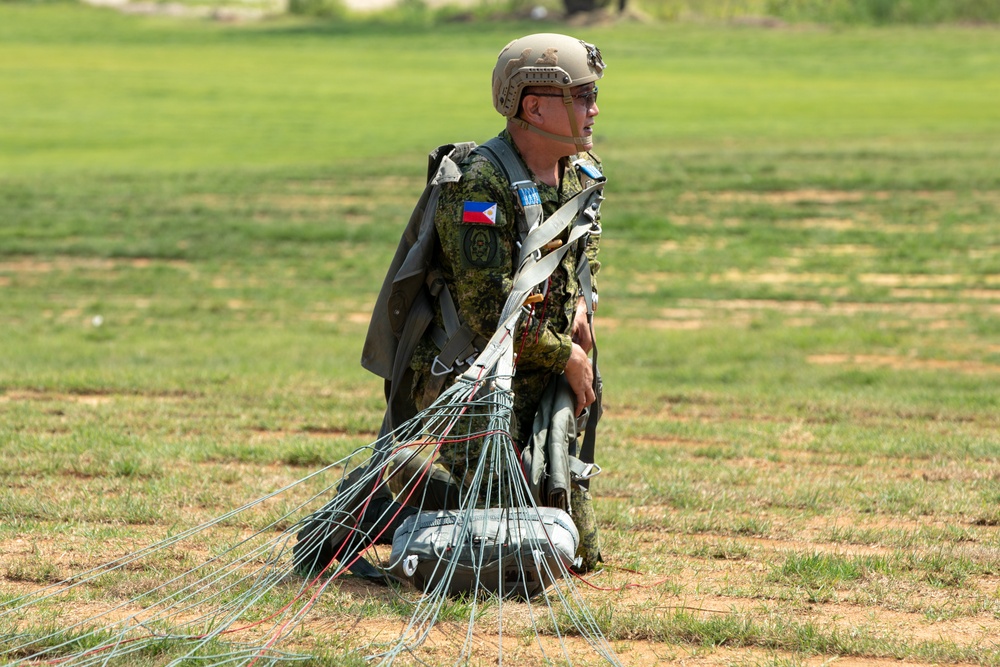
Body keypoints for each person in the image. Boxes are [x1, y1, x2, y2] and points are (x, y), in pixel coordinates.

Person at [295, 33, 607, 578]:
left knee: (578, 554)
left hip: (535, 366)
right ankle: (384, 494)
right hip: (469, 379)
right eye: (580, 96)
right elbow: (488, 314)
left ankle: (451, 486)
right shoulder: (479, 184)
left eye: (592, 95)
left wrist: (582, 307)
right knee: (509, 542)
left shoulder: (580, 173)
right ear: (534, 106)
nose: (594, 109)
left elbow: (585, 254)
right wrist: (569, 358)